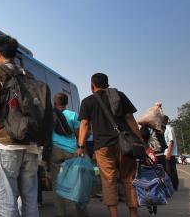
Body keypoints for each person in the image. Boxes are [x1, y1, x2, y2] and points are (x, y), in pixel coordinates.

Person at [0, 35, 40, 217]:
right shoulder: (28, 75)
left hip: (6, 142)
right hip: (31, 145)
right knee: (30, 200)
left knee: (6, 201)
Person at [76, 73, 144, 217]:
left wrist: (81, 145)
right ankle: (133, 213)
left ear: (92, 86)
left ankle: (114, 215)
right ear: (107, 84)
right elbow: (130, 119)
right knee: (129, 178)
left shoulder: (88, 101)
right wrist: (140, 140)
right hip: (126, 144)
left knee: (109, 180)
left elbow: (85, 124)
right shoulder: (120, 95)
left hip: (103, 146)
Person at [49, 93, 89, 217]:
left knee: (57, 184)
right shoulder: (73, 115)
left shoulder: (50, 115)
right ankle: (82, 214)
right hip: (72, 152)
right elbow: (79, 136)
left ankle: (60, 214)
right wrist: (83, 151)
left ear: (54, 103)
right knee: (77, 184)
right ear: (66, 103)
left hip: (55, 151)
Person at [164, 115, 179, 190]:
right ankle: (172, 186)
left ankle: (174, 186)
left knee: (171, 170)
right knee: (168, 170)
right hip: (166, 152)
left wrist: (168, 153)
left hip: (169, 153)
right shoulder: (163, 129)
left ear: (165, 121)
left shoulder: (169, 129)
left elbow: (171, 141)